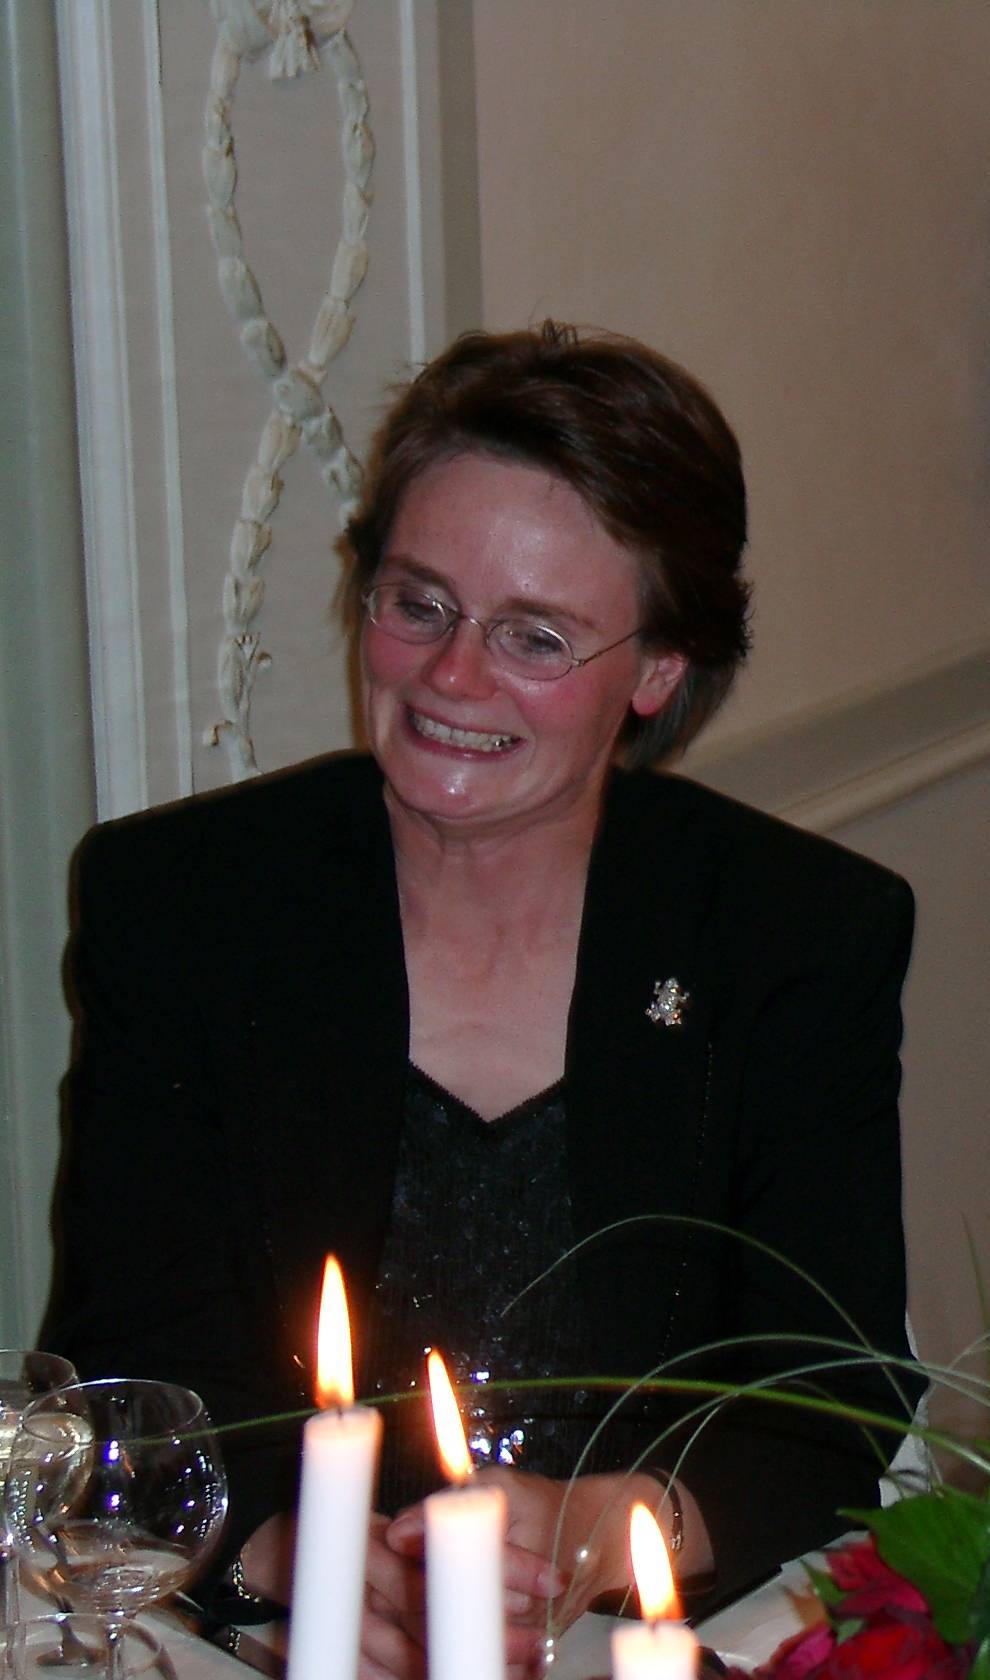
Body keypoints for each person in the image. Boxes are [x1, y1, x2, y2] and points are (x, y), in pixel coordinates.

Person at [47, 325, 919, 1676]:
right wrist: (303, 1559)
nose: (453, 677)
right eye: (419, 604)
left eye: (535, 636)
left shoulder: (793, 933)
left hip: (644, 1633)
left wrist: (587, 1528)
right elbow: (133, 1364)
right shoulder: (183, 904)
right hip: (279, 1635)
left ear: (657, 670)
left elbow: (828, 1396)